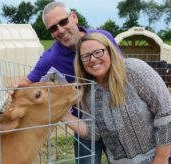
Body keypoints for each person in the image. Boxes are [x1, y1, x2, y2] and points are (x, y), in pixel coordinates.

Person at [16, 1, 120, 164]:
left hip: (116, 117)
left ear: (74, 17)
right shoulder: (51, 58)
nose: (60, 30)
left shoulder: (104, 38)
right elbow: (25, 84)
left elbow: (123, 68)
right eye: (53, 28)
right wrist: (16, 93)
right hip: (84, 124)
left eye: (63, 22)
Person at [61, 32, 171, 164]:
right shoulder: (88, 91)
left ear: (110, 52)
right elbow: (94, 132)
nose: (93, 59)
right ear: (80, 62)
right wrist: (62, 115)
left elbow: (164, 111)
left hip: (160, 156)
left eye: (98, 52)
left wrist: (161, 158)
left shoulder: (135, 70)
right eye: (86, 56)